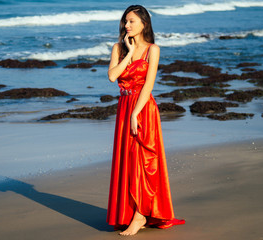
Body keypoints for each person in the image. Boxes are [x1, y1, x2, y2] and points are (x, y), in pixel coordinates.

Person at [106, 5, 185, 236]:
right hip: (123, 106)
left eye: (131, 21)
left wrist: (135, 114)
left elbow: (149, 85)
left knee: (142, 161)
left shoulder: (153, 49)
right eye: (125, 22)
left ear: (144, 23)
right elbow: (112, 76)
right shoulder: (118, 49)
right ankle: (128, 213)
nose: (126, 25)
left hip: (142, 108)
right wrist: (129, 54)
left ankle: (141, 215)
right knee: (126, 161)